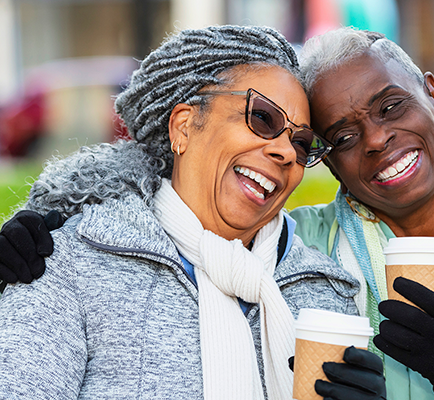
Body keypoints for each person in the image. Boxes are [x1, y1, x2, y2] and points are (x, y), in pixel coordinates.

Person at [2, 26, 434, 399]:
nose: (375, 140)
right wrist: (47, 228)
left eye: (393, 105)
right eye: (336, 137)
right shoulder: (292, 259)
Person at [0, 26, 386, 400]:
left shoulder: (323, 293)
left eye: (302, 144)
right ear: (183, 126)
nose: (286, 153)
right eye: (263, 118)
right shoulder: (67, 266)